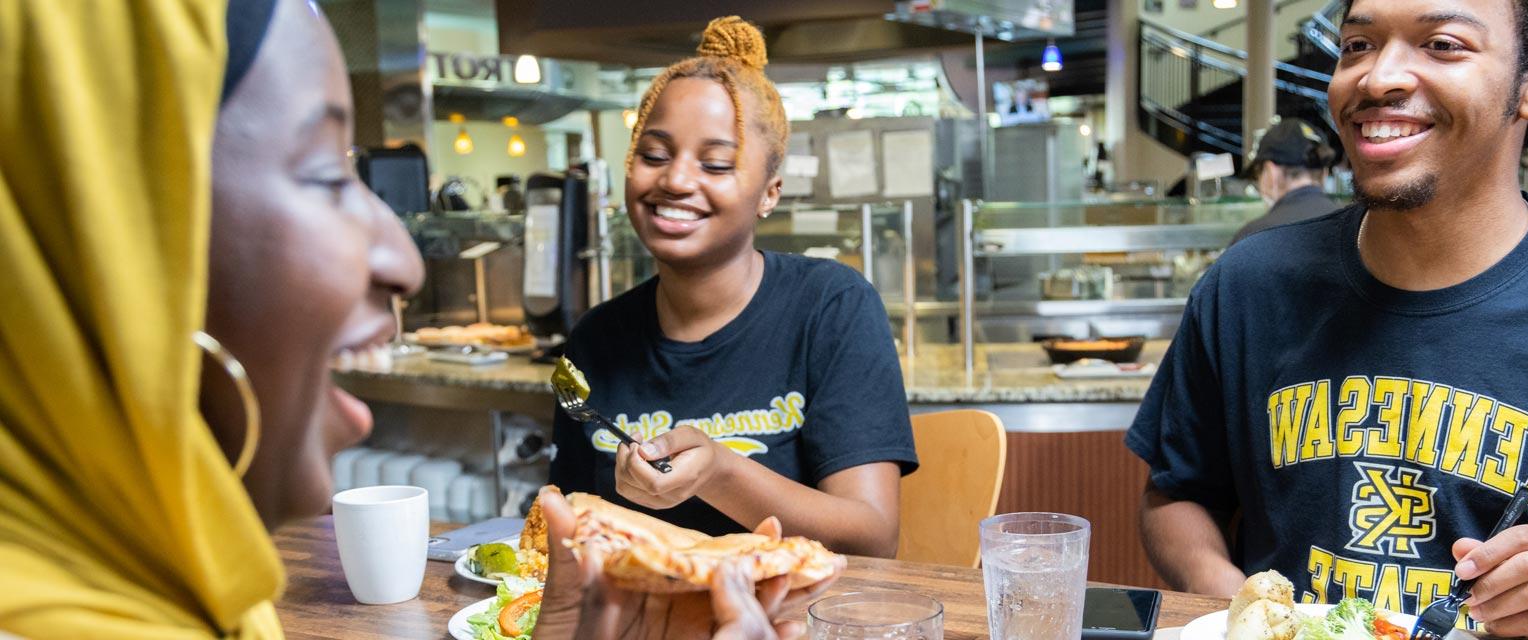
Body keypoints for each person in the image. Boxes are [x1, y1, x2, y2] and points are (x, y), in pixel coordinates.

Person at [0, 1, 799, 637]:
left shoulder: (188, 600)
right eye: (324, 173)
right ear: (107, 237)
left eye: (717, 161)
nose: (404, 262)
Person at [1126, 1, 1528, 639]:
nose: (1379, 76)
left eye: (1442, 44)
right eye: (1357, 45)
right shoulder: (1247, 285)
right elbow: (1178, 495)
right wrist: (1242, 605)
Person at [547, 17, 917, 558]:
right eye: (653, 154)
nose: (675, 180)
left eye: (715, 164)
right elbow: (569, 525)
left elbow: (872, 536)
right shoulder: (595, 340)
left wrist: (718, 472)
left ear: (769, 194)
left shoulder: (830, 306)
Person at [1228, 117, 1340, 245]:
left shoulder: (1252, 237)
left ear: (1271, 173)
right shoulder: (1355, 228)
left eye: (1257, 174)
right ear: (1324, 174)